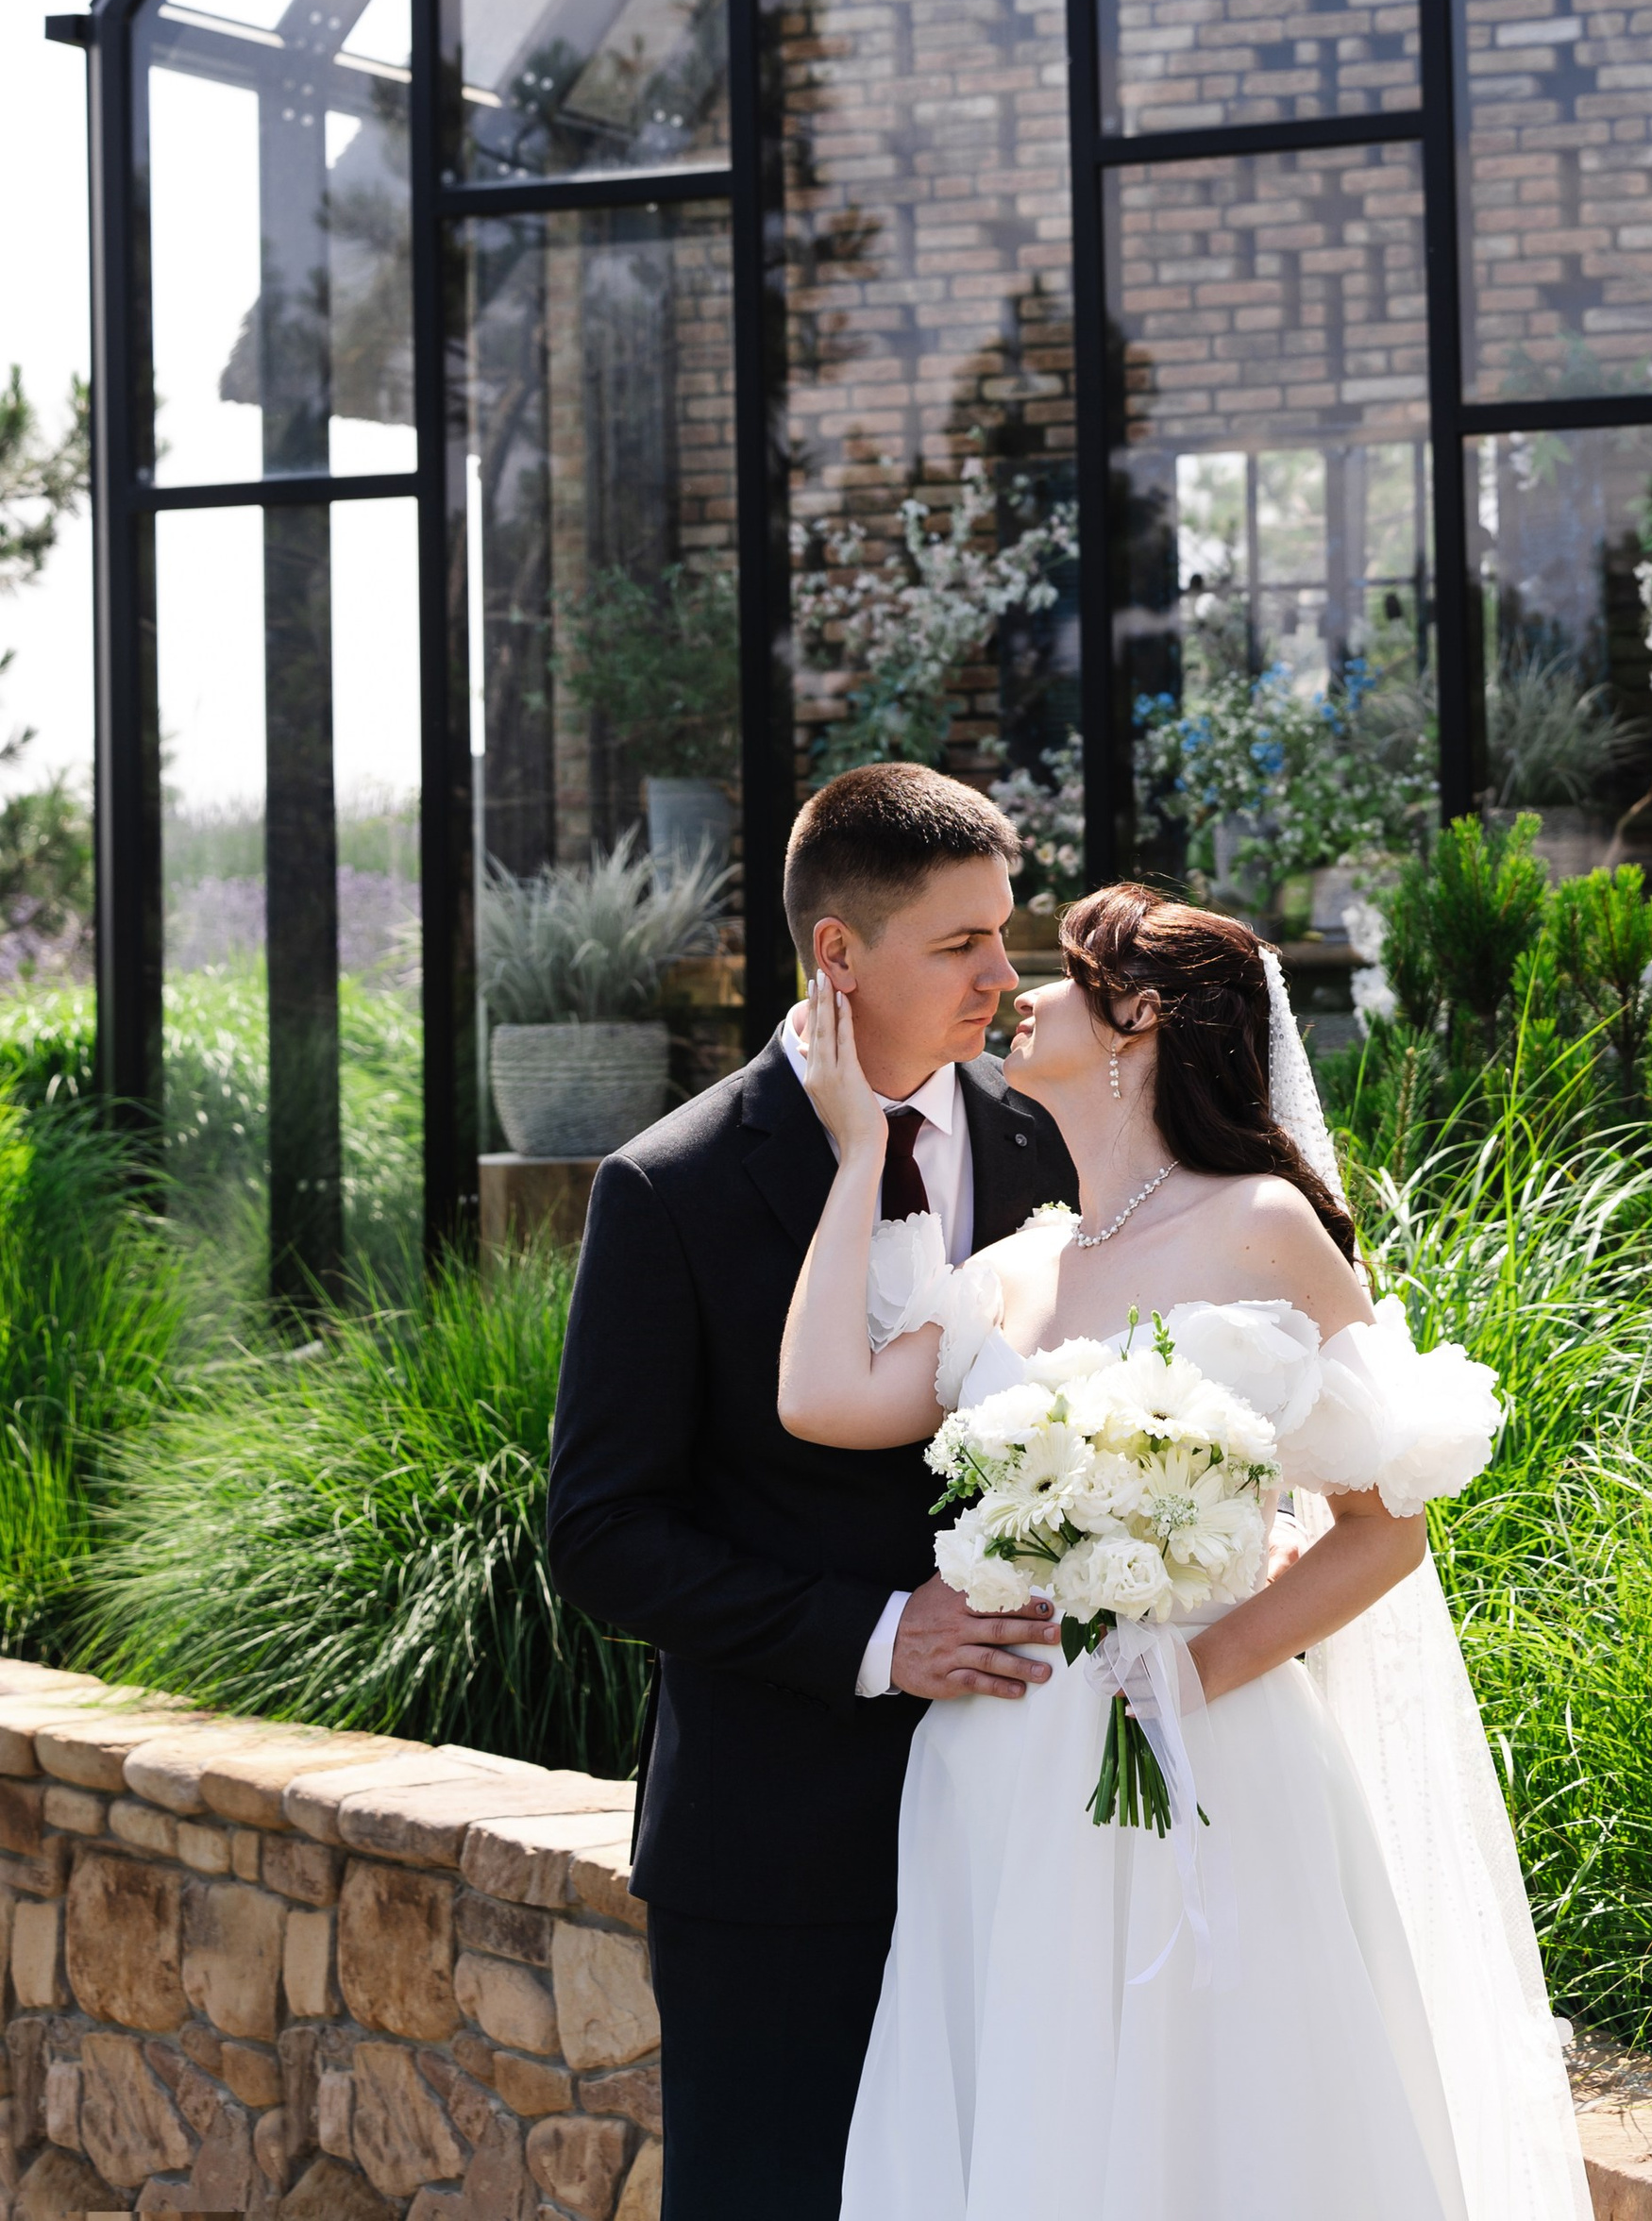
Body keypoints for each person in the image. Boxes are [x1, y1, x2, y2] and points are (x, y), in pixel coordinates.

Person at [779, 882, 1592, 2221]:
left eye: (1056, 971)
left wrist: (1193, 1674)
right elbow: (819, 1398)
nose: (1016, 991)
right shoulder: (1017, 1269)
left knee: (1216, 2134)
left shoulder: (1261, 1226)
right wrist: (859, 1154)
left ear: (1136, 1016)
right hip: (999, 1767)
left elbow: (1385, 1528)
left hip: (1201, 1756)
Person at [547, 765, 1075, 2221]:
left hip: (1024, 1829)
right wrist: (871, 1634)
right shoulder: (673, 1187)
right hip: (779, 1857)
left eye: (1004, 931)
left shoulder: (1047, 1146)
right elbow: (599, 1533)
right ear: (837, 954)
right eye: (960, 944)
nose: (1001, 975)